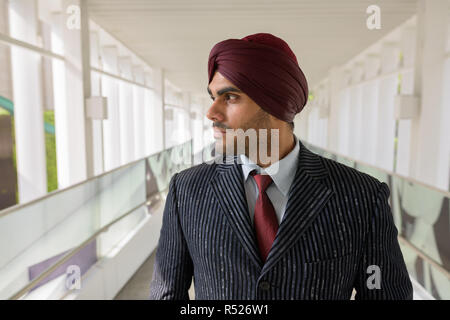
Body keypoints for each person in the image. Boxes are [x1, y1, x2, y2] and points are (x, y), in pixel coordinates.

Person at [149, 33, 413, 300]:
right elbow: (167, 293)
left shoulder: (361, 197)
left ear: (274, 101)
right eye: (213, 96)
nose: (211, 112)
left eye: (229, 97)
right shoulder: (187, 191)